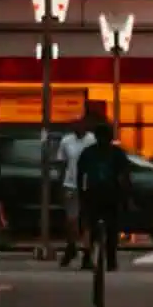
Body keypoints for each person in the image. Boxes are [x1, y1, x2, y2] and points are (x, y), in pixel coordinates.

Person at [75, 116, 129, 272]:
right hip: (110, 195)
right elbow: (124, 176)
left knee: (91, 228)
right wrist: (124, 196)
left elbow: (80, 174)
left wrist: (81, 192)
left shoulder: (89, 152)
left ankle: (88, 258)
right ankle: (111, 261)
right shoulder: (117, 153)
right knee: (111, 229)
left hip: (93, 194)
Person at [55, 110, 94, 267]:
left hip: (87, 184)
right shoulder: (66, 141)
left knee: (86, 221)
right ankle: (72, 245)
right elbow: (62, 162)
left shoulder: (92, 140)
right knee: (71, 220)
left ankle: (86, 252)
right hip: (71, 184)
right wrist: (61, 182)